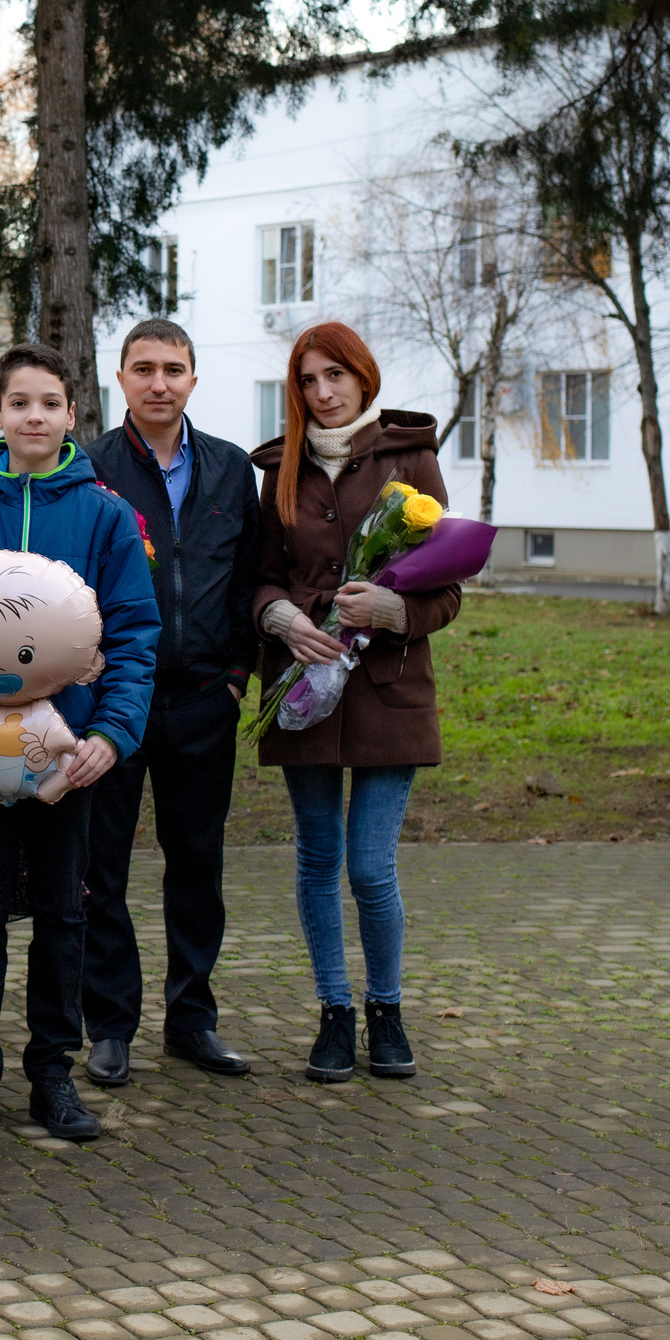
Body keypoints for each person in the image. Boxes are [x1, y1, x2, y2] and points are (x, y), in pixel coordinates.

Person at [0, 343, 159, 1143]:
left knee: (62, 914)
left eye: (50, 402)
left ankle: (53, 1072)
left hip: (67, 756)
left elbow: (137, 634)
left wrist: (112, 733)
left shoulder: (106, 516)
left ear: (72, 415)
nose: (35, 416)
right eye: (20, 403)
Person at [247, 320, 459, 1084]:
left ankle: (387, 1009)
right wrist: (283, 619)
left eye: (335, 375)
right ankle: (334, 1012)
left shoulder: (412, 459)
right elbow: (260, 576)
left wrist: (390, 610)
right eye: (307, 380)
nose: (322, 391)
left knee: (370, 866)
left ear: (364, 375)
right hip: (304, 687)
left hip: (387, 691)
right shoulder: (279, 468)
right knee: (316, 856)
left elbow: (447, 587)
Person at [79, 318, 263, 1086]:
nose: (160, 382)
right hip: (116, 701)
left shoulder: (229, 468)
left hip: (201, 702)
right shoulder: (87, 468)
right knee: (103, 868)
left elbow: (251, 574)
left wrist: (235, 677)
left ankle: (193, 1018)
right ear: (119, 378)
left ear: (193, 378)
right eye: (144, 368)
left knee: (197, 866)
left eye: (174, 368)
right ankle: (111, 1027)